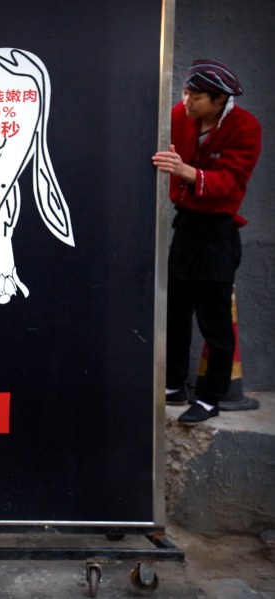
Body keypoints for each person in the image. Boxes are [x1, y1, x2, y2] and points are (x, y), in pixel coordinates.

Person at [152, 60, 262, 425]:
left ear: (219, 100)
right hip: (185, 227)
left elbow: (231, 182)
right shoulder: (177, 117)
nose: (186, 102)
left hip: (218, 231)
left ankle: (210, 396)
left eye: (196, 97)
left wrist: (188, 171)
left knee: (214, 320)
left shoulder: (245, 127)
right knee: (176, 311)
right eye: (185, 93)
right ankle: (173, 384)